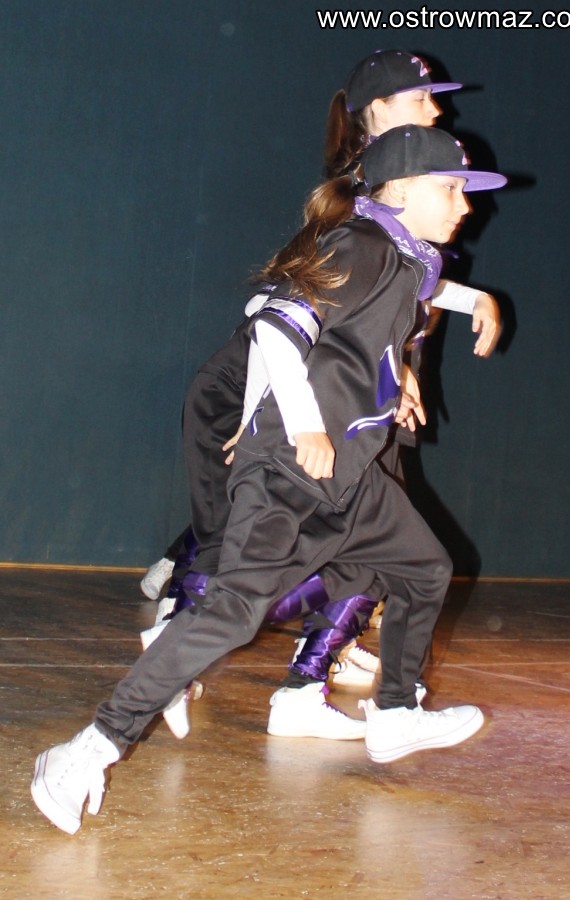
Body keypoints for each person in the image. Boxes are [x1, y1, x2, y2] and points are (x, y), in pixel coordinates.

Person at [31, 124, 507, 834]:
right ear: (404, 189)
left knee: (424, 568)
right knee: (231, 613)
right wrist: (305, 425)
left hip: (351, 479)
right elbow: (276, 324)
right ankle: (86, 750)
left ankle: (396, 713)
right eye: (452, 189)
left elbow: (426, 294)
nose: (465, 205)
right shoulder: (362, 245)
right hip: (292, 468)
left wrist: (477, 305)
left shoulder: (408, 256)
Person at [138, 50, 504, 741]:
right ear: (380, 114)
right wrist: (269, 413)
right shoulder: (358, 215)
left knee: (383, 549)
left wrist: (452, 316)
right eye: (422, 99)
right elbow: (279, 321)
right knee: (268, 557)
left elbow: (401, 297)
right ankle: (183, 639)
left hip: (343, 406)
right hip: (278, 396)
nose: (437, 110)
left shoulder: (396, 221)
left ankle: (308, 681)